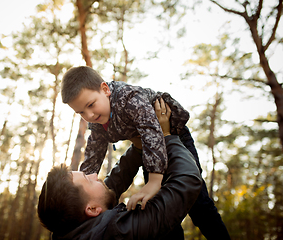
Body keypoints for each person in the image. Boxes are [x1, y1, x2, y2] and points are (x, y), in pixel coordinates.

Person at [61, 66, 231, 239]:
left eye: (90, 105)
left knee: (198, 202)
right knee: (158, 206)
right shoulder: (97, 119)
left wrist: (154, 180)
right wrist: (81, 192)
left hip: (173, 137)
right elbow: (93, 152)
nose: (89, 115)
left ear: (105, 89)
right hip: (149, 151)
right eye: (81, 112)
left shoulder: (129, 98)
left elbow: (151, 130)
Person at [37, 101, 203, 239]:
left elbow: (111, 185)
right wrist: (167, 137)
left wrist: (138, 149)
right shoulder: (120, 233)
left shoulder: (74, 229)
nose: (94, 175)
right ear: (92, 210)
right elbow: (187, 181)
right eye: (88, 180)